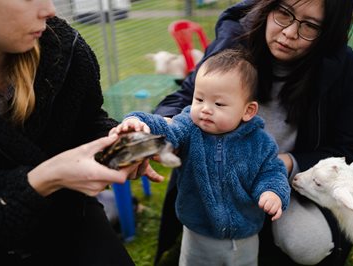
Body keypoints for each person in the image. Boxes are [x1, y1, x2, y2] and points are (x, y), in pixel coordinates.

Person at [151, 0, 353, 265]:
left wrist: (289, 164)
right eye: (284, 13)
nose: (289, 32)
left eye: (310, 26)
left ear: (329, 32)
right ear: (268, 6)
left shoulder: (347, 72)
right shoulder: (232, 43)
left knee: (308, 244)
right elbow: (186, 95)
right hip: (218, 172)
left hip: (289, 179)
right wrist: (162, 127)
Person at [0, 1, 163, 265]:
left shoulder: (63, 49)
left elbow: (86, 120)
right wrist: (44, 178)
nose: (49, 10)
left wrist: (115, 141)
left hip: (69, 215)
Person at [114, 49, 291, 265]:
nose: (205, 109)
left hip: (245, 234)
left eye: (219, 104)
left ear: (248, 111)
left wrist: (273, 191)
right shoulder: (189, 127)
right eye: (199, 99)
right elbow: (168, 130)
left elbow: (272, 171)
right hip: (198, 232)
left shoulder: (260, 143)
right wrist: (141, 122)